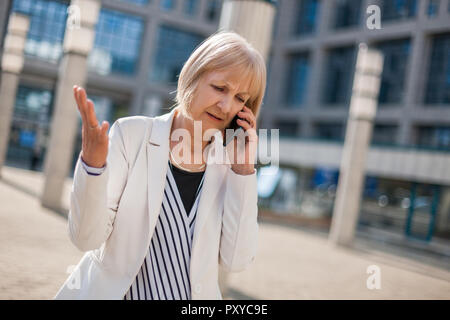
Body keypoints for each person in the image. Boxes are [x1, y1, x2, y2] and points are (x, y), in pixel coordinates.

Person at [54, 30, 266, 300]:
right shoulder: (132, 135)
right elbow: (86, 238)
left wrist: (243, 173)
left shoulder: (230, 168)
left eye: (240, 98)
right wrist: (93, 167)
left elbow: (236, 260)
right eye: (220, 88)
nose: (226, 106)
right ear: (193, 77)